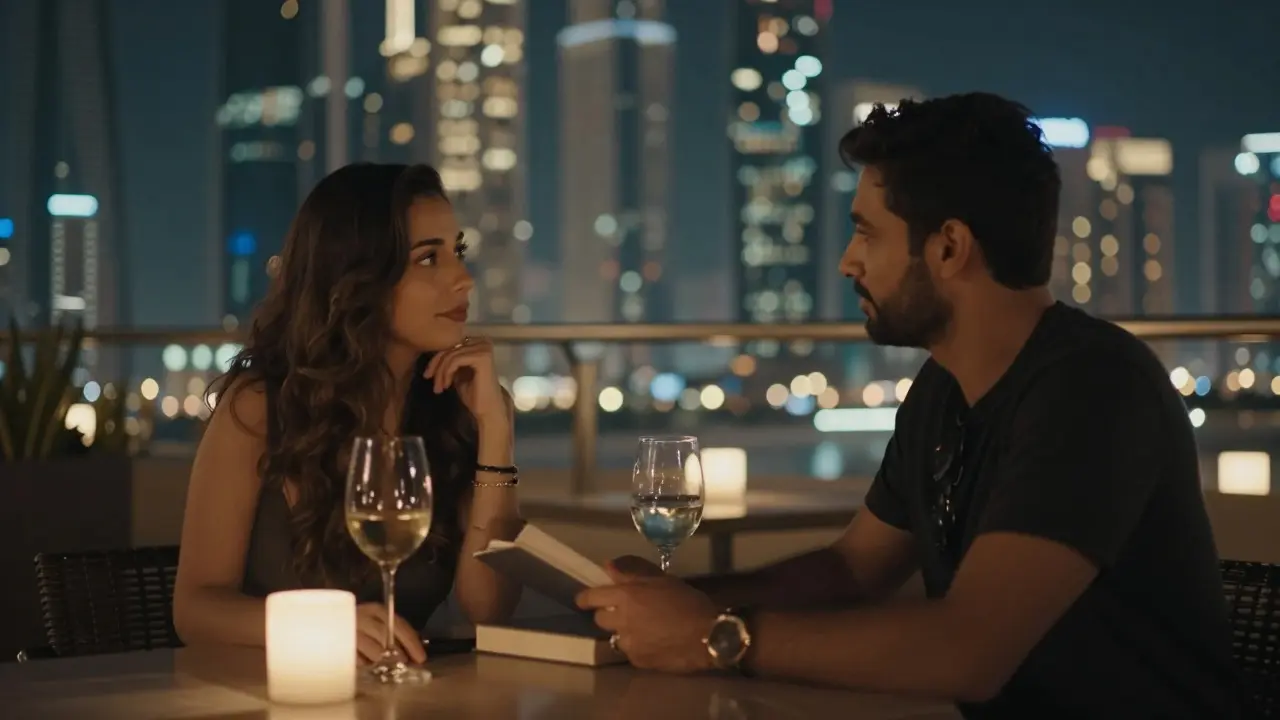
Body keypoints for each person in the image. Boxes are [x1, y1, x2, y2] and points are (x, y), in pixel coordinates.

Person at [577, 93, 1242, 718]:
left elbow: (967, 651)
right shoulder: (943, 388)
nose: (846, 262)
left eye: (866, 233)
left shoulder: (1094, 390)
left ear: (949, 247)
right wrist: (679, 603)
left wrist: (716, 638)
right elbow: (851, 569)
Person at [174, 163, 522, 665]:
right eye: (429, 258)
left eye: (458, 252)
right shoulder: (260, 406)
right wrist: (325, 625)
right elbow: (195, 610)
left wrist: (496, 431)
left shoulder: (462, 409)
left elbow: (488, 609)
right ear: (360, 278)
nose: (464, 279)